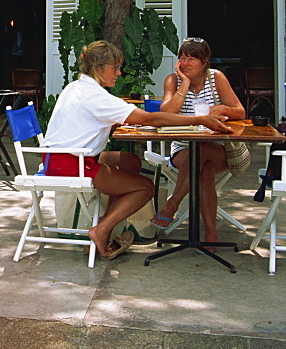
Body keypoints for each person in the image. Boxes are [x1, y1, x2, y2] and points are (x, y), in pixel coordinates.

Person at [41, 40, 232, 260]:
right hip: (73, 164)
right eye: (115, 68)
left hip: (56, 159)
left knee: (130, 162)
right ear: (98, 69)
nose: (119, 73)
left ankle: (106, 224)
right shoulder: (97, 97)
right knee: (145, 188)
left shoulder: (76, 87)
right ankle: (102, 229)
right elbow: (150, 118)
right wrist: (200, 119)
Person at [153, 37, 246, 243]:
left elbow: (240, 112)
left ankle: (172, 204)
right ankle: (211, 233)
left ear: (204, 62)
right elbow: (167, 113)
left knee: (203, 147)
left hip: (218, 149)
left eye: (191, 59)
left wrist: (222, 109)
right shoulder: (173, 80)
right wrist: (184, 83)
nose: (185, 63)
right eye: (182, 58)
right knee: (204, 170)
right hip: (183, 148)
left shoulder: (216, 78)